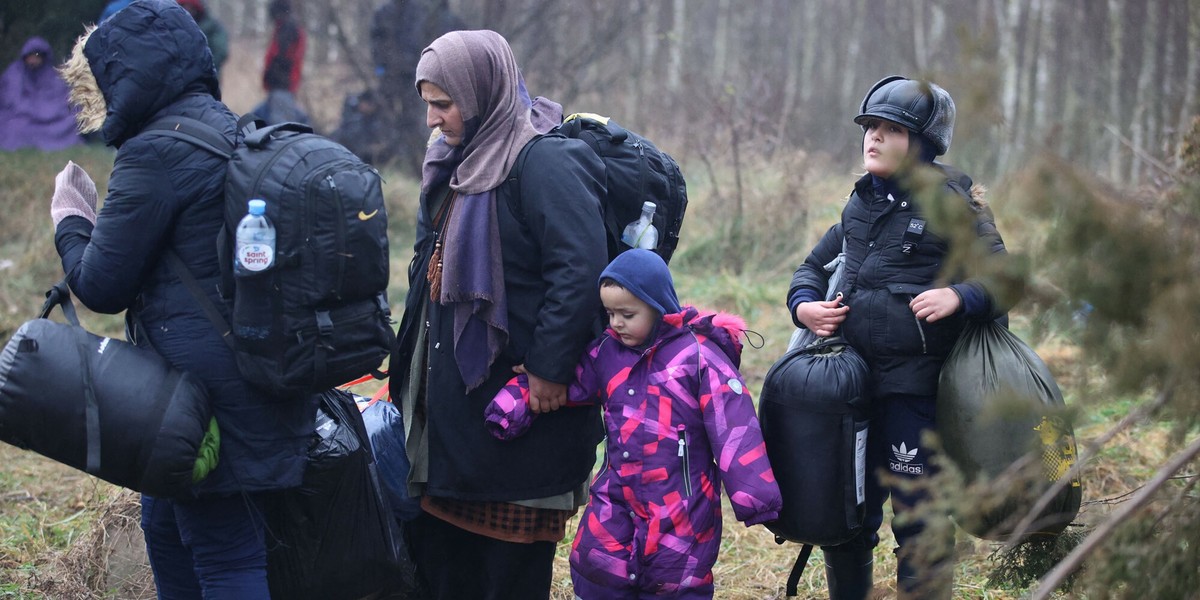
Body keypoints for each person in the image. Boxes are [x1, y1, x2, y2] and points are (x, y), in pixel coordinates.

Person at [53, 1, 317, 595]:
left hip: (204, 401)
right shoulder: (234, 129)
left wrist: (71, 218)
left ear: (127, 76)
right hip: (254, 380)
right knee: (168, 527)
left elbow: (100, 286)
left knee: (225, 552)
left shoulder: (154, 153)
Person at [390, 29, 609, 599]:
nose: (434, 120)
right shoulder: (451, 164)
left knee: (505, 576)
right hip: (457, 423)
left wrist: (548, 368)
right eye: (428, 105)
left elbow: (582, 274)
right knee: (445, 566)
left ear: (482, 92)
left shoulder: (544, 163)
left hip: (520, 420)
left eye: (444, 103)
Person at [787, 76, 1017, 600]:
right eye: (870, 127)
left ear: (923, 144)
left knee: (920, 521)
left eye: (891, 130)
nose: (873, 138)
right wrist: (804, 307)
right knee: (846, 511)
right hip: (848, 386)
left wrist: (959, 295)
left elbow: (1004, 280)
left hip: (916, 393)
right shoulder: (860, 201)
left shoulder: (953, 201)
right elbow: (811, 267)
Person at [486, 249, 784, 599]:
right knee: (596, 562)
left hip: (680, 502)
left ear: (658, 306)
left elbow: (734, 425)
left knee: (676, 577)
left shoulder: (699, 357)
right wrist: (510, 404)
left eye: (627, 314)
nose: (616, 323)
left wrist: (756, 497)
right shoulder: (606, 353)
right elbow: (565, 381)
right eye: (610, 313)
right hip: (617, 490)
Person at [369, 0, 465, 173]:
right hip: (402, 76)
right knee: (396, 119)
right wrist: (383, 71)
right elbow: (379, 44)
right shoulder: (391, 13)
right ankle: (399, 161)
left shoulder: (437, 16)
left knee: (422, 121)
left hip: (424, 78)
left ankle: (418, 161)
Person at [0, 37, 83, 151]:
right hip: (22, 118)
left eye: (37, 55)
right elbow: (12, 100)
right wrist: (33, 110)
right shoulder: (15, 73)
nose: (33, 59)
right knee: (15, 126)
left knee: (70, 121)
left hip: (52, 119)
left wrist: (46, 112)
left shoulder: (53, 75)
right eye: (30, 55)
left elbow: (63, 99)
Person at [252, 0, 308, 124]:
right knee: (255, 118)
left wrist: (272, 77)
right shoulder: (285, 28)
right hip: (279, 88)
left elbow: (282, 59)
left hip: (282, 87)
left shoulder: (289, 29)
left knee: (281, 129)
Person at [177, 0, 228, 78]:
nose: (187, 10)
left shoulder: (212, 27)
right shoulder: (171, 25)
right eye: (184, 6)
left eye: (190, 7)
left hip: (205, 79)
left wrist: (202, 68)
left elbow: (220, 51)